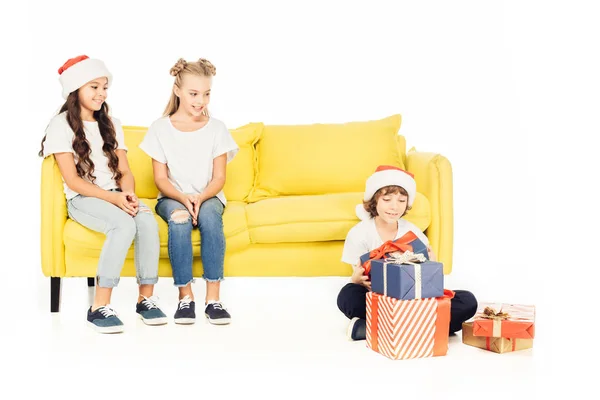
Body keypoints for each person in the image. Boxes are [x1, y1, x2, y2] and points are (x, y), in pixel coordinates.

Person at [39, 55, 166, 333]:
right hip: (83, 199)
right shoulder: (60, 125)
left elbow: (125, 171)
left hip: (117, 195)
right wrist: (115, 200)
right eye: (93, 87)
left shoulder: (112, 123)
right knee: (122, 224)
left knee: (145, 221)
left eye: (104, 87)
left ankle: (146, 299)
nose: (101, 93)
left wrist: (128, 194)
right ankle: (98, 306)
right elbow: (72, 180)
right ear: (76, 90)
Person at [139, 58, 239, 325]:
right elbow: (160, 179)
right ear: (178, 91)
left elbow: (219, 177)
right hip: (172, 198)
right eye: (194, 94)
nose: (200, 101)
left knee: (208, 218)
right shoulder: (160, 128)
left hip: (209, 196)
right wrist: (183, 198)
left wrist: (200, 197)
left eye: (206, 94)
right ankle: (186, 296)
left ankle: (213, 300)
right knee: (180, 219)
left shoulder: (217, 128)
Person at [337, 165, 477, 340]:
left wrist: (432, 266)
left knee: (467, 300)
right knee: (347, 294)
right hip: (380, 298)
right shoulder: (359, 233)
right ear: (374, 200)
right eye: (387, 199)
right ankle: (426, 327)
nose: (394, 207)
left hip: (414, 298)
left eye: (401, 201)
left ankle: (379, 328)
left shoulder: (413, 232)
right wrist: (356, 280)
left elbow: (428, 277)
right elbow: (358, 276)